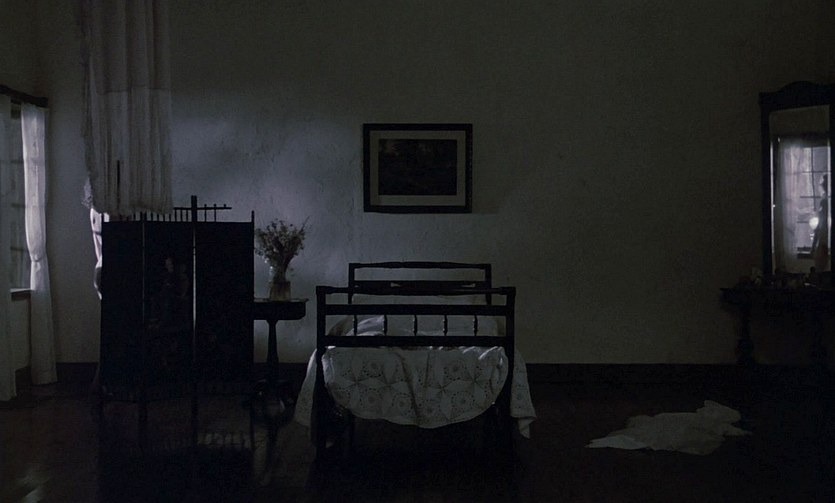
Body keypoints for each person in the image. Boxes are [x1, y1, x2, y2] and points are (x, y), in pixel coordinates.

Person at [811, 174, 829, 271]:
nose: (822, 185)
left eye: (824, 183)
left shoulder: (824, 201)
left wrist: (813, 245)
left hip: (824, 238)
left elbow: (819, 224)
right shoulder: (824, 200)